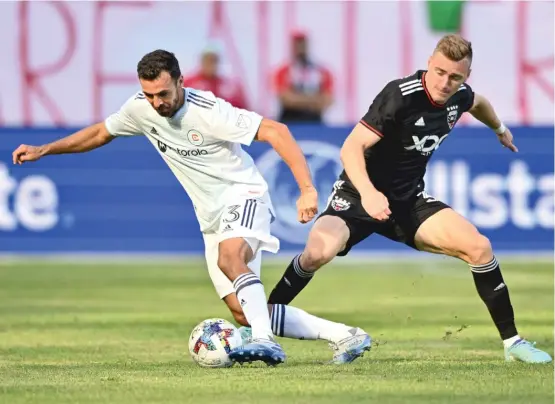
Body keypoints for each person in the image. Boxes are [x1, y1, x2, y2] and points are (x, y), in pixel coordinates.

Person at [12, 50, 370, 366]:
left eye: (163, 94)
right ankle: (345, 335)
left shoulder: (210, 112)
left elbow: (276, 131)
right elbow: (100, 133)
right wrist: (45, 149)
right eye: (150, 94)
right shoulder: (140, 108)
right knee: (243, 313)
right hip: (210, 215)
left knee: (230, 260)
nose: (157, 103)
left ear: (181, 82)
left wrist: (306, 188)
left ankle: (265, 341)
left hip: (242, 195)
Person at [266, 35, 552, 364]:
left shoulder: (460, 96)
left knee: (479, 247)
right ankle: (261, 322)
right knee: (318, 253)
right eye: (440, 72)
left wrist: (499, 128)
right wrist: (370, 194)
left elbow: (478, 103)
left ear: (466, 77)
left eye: (455, 77)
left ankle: (513, 344)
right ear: (430, 63)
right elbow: (350, 148)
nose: (446, 83)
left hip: (407, 201)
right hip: (357, 197)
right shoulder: (399, 96)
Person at [273, 31, 334, 123]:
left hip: (314, 122)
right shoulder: (284, 71)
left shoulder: (320, 72)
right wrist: (314, 100)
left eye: (303, 44)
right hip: (290, 121)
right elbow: (286, 99)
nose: (300, 48)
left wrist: (297, 99)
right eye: (297, 45)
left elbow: (327, 100)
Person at [182, 43, 248, 109]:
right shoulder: (188, 83)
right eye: (208, 59)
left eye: (214, 60)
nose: (211, 63)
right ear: (202, 61)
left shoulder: (229, 87)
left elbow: (242, 111)